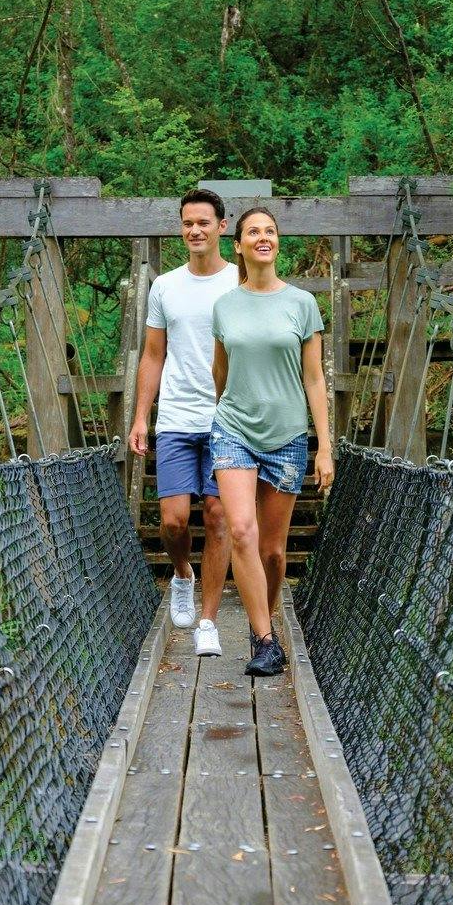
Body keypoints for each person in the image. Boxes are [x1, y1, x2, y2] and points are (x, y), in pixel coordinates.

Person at [210, 205, 334, 678]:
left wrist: (324, 447)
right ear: (238, 246)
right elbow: (219, 373)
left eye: (270, 231)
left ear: (278, 242)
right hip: (234, 428)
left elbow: (315, 380)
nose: (263, 237)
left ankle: (267, 617)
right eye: (253, 232)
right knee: (241, 529)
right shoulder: (224, 306)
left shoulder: (302, 304)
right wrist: (229, 412)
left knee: (273, 552)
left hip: (286, 435)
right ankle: (263, 638)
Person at [128, 186, 237, 655]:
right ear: (181, 227)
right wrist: (139, 417)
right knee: (173, 522)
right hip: (175, 418)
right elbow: (153, 355)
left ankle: (208, 621)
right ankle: (182, 575)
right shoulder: (164, 286)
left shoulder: (241, 281)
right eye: (187, 223)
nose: (195, 230)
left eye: (204, 223)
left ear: (221, 227)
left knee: (217, 517)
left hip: (227, 421)